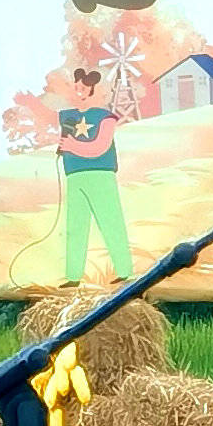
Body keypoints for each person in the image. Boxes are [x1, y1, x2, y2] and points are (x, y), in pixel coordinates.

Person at [50, 64, 131, 285]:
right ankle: (74, 275)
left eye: (83, 88)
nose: (78, 92)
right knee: (76, 226)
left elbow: (99, 147)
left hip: (100, 175)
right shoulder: (68, 117)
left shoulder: (105, 118)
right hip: (75, 176)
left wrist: (72, 145)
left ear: (94, 90)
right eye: (76, 88)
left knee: (110, 220)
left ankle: (124, 270)